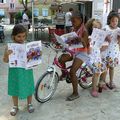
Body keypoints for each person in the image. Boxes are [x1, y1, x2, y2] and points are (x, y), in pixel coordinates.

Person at [3, 24, 35, 116]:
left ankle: (29, 104)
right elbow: (5, 60)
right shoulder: (9, 47)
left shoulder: (27, 46)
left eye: (24, 36)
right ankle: (15, 106)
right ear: (13, 36)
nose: (22, 38)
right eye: (19, 36)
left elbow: (33, 58)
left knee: (28, 85)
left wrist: (35, 54)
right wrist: (7, 54)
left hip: (26, 70)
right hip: (15, 71)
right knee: (15, 86)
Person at [65, 12, 89, 101]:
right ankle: (64, 74)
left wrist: (81, 39)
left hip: (83, 53)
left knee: (72, 72)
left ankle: (75, 93)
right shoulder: (73, 29)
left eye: (74, 21)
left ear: (80, 20)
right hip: (75, 50)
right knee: (61, 59)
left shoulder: (84, 31)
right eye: (71, 21)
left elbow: (85, 44)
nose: (72, 23)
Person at [85, 19, 108, 97]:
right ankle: (94, 89)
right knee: (97, 71)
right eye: (95, 27)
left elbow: (100, 49)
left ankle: (101, 83)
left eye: (98, 28)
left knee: (105, 69)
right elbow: (88, 51)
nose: (97, 29)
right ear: (91, 28)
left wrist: (103, 47)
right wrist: (90, 44)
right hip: (90, 59)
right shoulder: (89, 37)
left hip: (97, 58)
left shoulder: (99, 38)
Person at [100, 11, 120, 90]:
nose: (114, 22)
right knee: (104, 67)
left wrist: (119, 38)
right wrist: (105, 37)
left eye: (116, 21)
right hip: (105, 51)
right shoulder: (105, 28)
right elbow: (100, 38)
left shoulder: (118, 30)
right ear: (109, 20)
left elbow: (118, 42)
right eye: (113, 21)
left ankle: (111, 81)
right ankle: (102, 81)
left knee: (112, 67)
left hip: (114, 51)